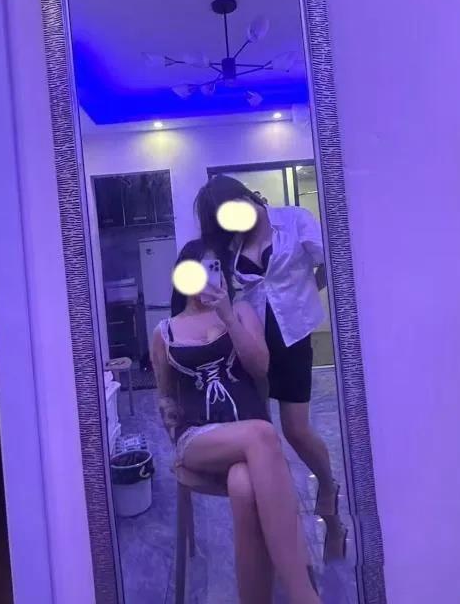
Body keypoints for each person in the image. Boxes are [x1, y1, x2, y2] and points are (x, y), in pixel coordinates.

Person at [151, 239, 320, 604]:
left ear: (222, 274)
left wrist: (227, 315)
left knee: (243, 486)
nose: (205, 276)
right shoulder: (165, 332)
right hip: (198, 438)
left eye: (213, 267)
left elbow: (260, 368)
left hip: (249, 440)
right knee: (263, 433)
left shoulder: (240, 312)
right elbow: (164, 395)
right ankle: (304, 595)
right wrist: (172, 433)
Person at [195, 175, 345, 559]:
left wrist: (307, 290)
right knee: (262, 434)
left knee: (295, 430)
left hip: (293, 339)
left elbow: (330, 260)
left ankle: (329, 491)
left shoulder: (294, 220)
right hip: (254, 342)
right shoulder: (233, 245)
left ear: (246, 196)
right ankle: (278, 530)